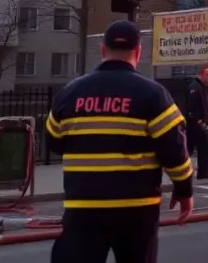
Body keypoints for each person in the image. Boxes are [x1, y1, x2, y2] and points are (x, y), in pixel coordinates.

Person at [45, 20, 194, 263]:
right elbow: (175, 150)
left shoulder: (69, 93)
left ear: (103, 50)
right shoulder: (153, 94)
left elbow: (54, 142)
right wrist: (184, 190)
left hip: (83, 207)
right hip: (137, 209)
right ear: (138, 51)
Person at [185, 66, 208, 179]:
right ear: (201, 74)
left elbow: (203, 105)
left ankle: (203, 171)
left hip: (200, 124)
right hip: (194, 125)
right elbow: (191, 107)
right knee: (190, 148)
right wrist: (199, 121)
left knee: (203, 146)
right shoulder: (194, 87)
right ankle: (185, 171)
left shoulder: (202, 87)